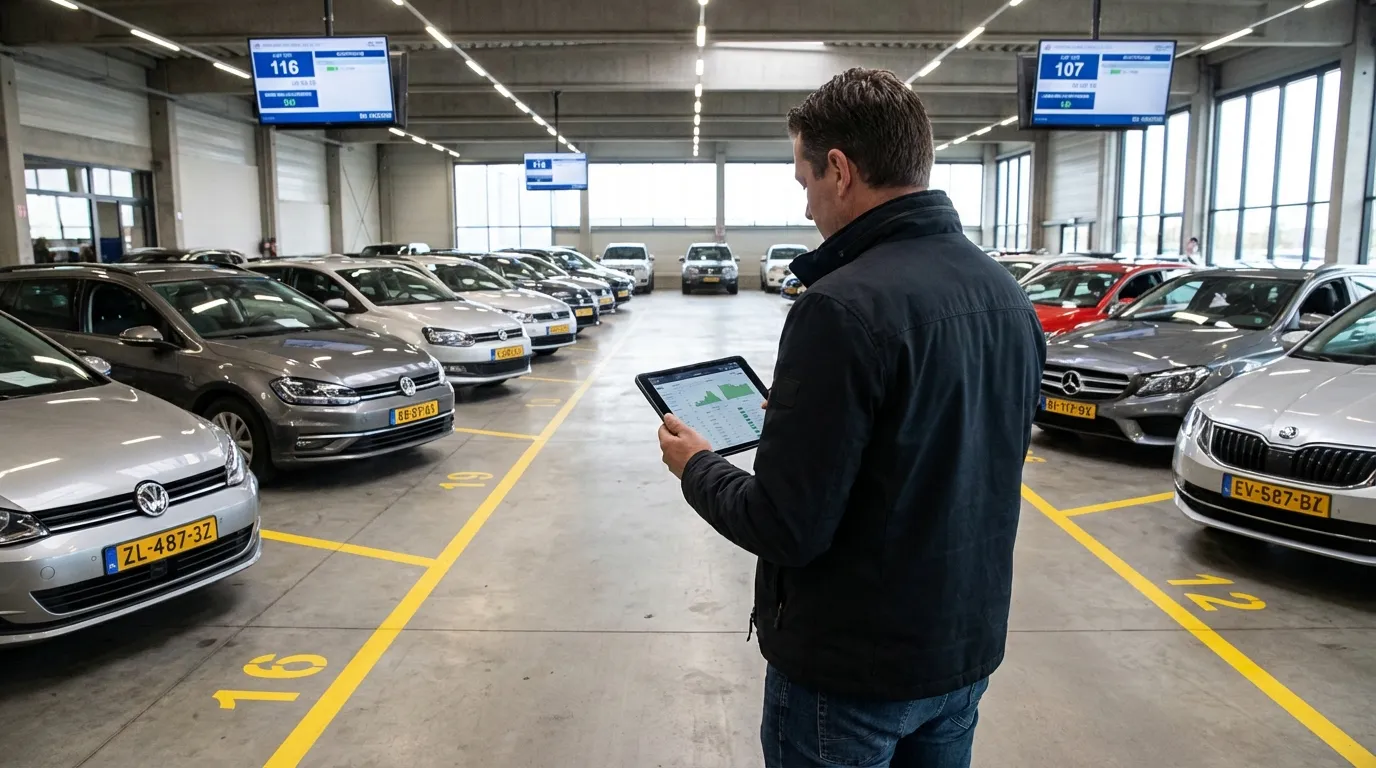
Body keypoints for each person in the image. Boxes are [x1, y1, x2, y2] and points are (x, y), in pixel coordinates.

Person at [657, 68, 1046, 768]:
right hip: (962, 655)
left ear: (839, 170)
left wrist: (698, 467)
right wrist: (820, 421)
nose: (807, 206)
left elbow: (785, 527)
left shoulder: (839, 306)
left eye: (803, 181)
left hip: (852, 673)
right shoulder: (1005, 295)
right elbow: (948, 446)